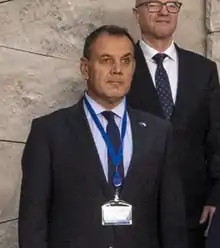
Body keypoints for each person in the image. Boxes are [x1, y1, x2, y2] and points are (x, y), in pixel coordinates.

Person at [18, 25, 187, 248]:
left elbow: (172, 221)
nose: (117, 69)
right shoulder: (48, 132)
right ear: (85, 68)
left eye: (126, 61)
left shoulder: (159, 132)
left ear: (134, 68)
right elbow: (33, 224)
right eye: (107, 60)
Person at [127, 1, 220, 248]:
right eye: (154, 4)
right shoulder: (120, 68)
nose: (164, 11)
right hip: (135, 211)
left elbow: (217, 137)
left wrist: (216, 196)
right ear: (137, 13)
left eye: (172, 4)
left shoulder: (204, 70)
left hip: (194, 211)